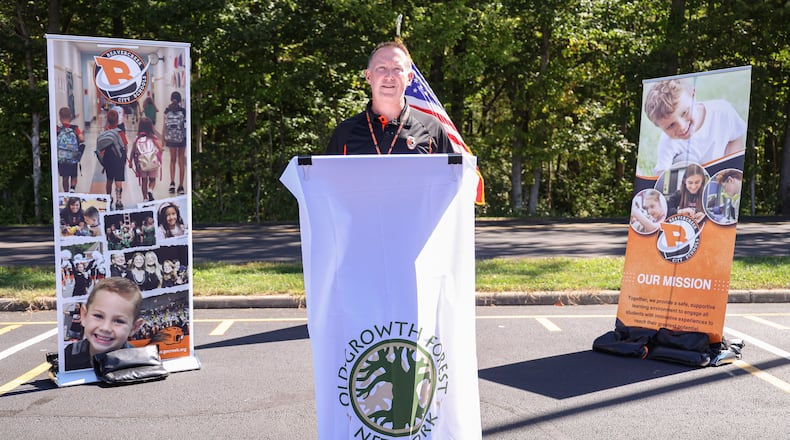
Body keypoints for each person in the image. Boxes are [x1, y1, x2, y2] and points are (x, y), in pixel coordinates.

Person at [325, 41, 453, 155]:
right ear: (368, 76)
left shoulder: (432, 128)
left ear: (409, 78)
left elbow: (451, 179)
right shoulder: (345, 132)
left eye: (397, 69)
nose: (389, 76)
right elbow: (327, 179)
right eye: (381, 68)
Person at [644, 78, 747, 174]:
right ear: (660, 127)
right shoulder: (667, 141)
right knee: (681, 159)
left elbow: (735, 137)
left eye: (684, 112)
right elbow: (661, 175)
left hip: (719, 177)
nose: (681, 127)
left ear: (693, 96)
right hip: (689, 186)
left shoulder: (722, 112)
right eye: (670, 125)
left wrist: (728, 171)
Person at [63, 277, 143, 371]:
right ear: (84, 315)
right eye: (98, 316)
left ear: (134, 327)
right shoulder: (69, 355)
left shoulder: (137, 365)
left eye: (118, 321)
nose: (105, 328)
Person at [129, 116, 163, 202]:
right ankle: (150, 190)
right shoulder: (153, 137)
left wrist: (130, 162)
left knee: (144, 180)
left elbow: (133, 151)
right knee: (152, 179)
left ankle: (144, 198)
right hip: (153, 162)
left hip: (142, 163)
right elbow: (160, 148)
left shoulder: (137, 139)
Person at [101, 109, 129, 210]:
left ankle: (108, 197)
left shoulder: (105, 132)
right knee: (118, 179)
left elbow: (101, 147)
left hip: (108, 159)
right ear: (117, 120)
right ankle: (119, 200)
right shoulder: (120, 132)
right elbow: (125, 146)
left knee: (109, 179)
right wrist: (125, 157)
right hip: (119, 159)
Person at [56, 107, 86, 193]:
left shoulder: (58, 129)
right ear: (70, 116)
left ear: (60, 117)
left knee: (65, 177)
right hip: (73, 157)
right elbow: (82, 139)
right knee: (73, 175)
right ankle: (72, 189)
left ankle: (66, 193)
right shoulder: (75, 128)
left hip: (62, 158)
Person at [162, 91, 187, 195]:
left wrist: (162, 140)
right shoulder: (183, 111)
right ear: (180, 100)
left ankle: (172, 184)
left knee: (172, 160)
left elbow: (164, 126)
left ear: (171, 99)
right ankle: (181, 186)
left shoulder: (167, 110)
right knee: (181, 161)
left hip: (171, 138)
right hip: (181, 138)